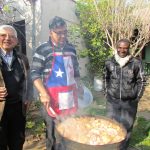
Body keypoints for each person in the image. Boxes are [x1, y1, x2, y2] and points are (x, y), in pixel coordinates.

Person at [31, 16, 83, 150]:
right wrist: (42, 93)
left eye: (65, 32)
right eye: (58, 33)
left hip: (70, 96)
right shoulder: (42, 49)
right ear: (50, 32)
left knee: (69, 130)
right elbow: (34, 73)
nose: (62, 35)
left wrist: (80, 86)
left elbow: (75, 71)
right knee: (52, 134)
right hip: (51, 98)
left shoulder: (71, 48)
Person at [104, 39, 145, 150]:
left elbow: (141, 81)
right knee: (111, 124)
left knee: (127, 126)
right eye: (120, 47)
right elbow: (105, 78)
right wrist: (106, 93)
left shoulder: (136, 63)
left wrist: (137, 97)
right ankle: (111, 146)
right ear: (117, 47)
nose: (122, 50)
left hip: (129, 102)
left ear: (129, 48)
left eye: (125, 48)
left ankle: (123, 147)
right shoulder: (109, 61)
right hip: (112, 101)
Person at [0, 25, 33, 150]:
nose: (7, 38)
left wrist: (29, 97)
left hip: (18, 109)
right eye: (3, 35)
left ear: (17, 41)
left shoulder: (22, 59)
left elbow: (29, 80)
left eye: (12, 36)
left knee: (17, 142)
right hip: (0, 110)